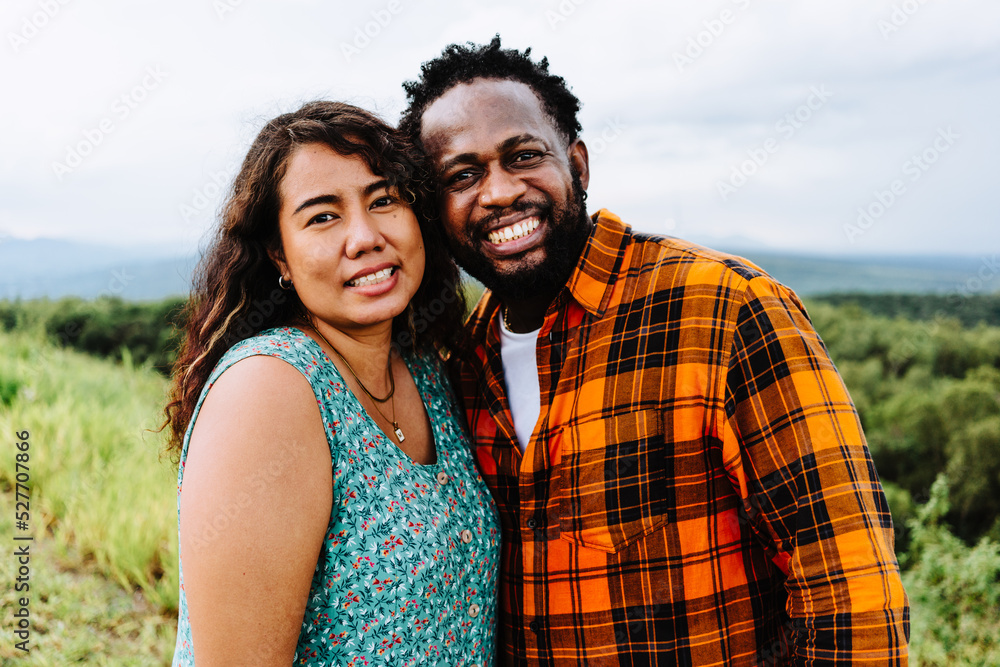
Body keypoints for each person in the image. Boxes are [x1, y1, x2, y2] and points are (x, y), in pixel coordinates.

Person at [399, 38, 909, 665]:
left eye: (524, 156)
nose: (500, 192)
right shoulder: (460, 365)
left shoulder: (723, 309)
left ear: (577, 167)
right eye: (463, 175)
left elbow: (849, 588)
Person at [162, 101, 499, 666]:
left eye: (383, 200)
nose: (365, 237)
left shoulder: (423, 367)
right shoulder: (270, 390)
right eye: (323, 216)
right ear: (280, 257)